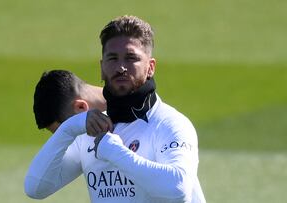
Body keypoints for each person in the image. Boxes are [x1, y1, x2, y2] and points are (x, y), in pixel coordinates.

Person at [25, 16, 206, 203]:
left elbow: (177, 188)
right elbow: (35, 188)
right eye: (112, 58)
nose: (121, 67)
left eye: (131, 58)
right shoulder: (89, 130)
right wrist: (70, 127)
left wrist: (114, 152)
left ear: (150, 67)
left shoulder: (169, 123)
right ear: (102, 67)